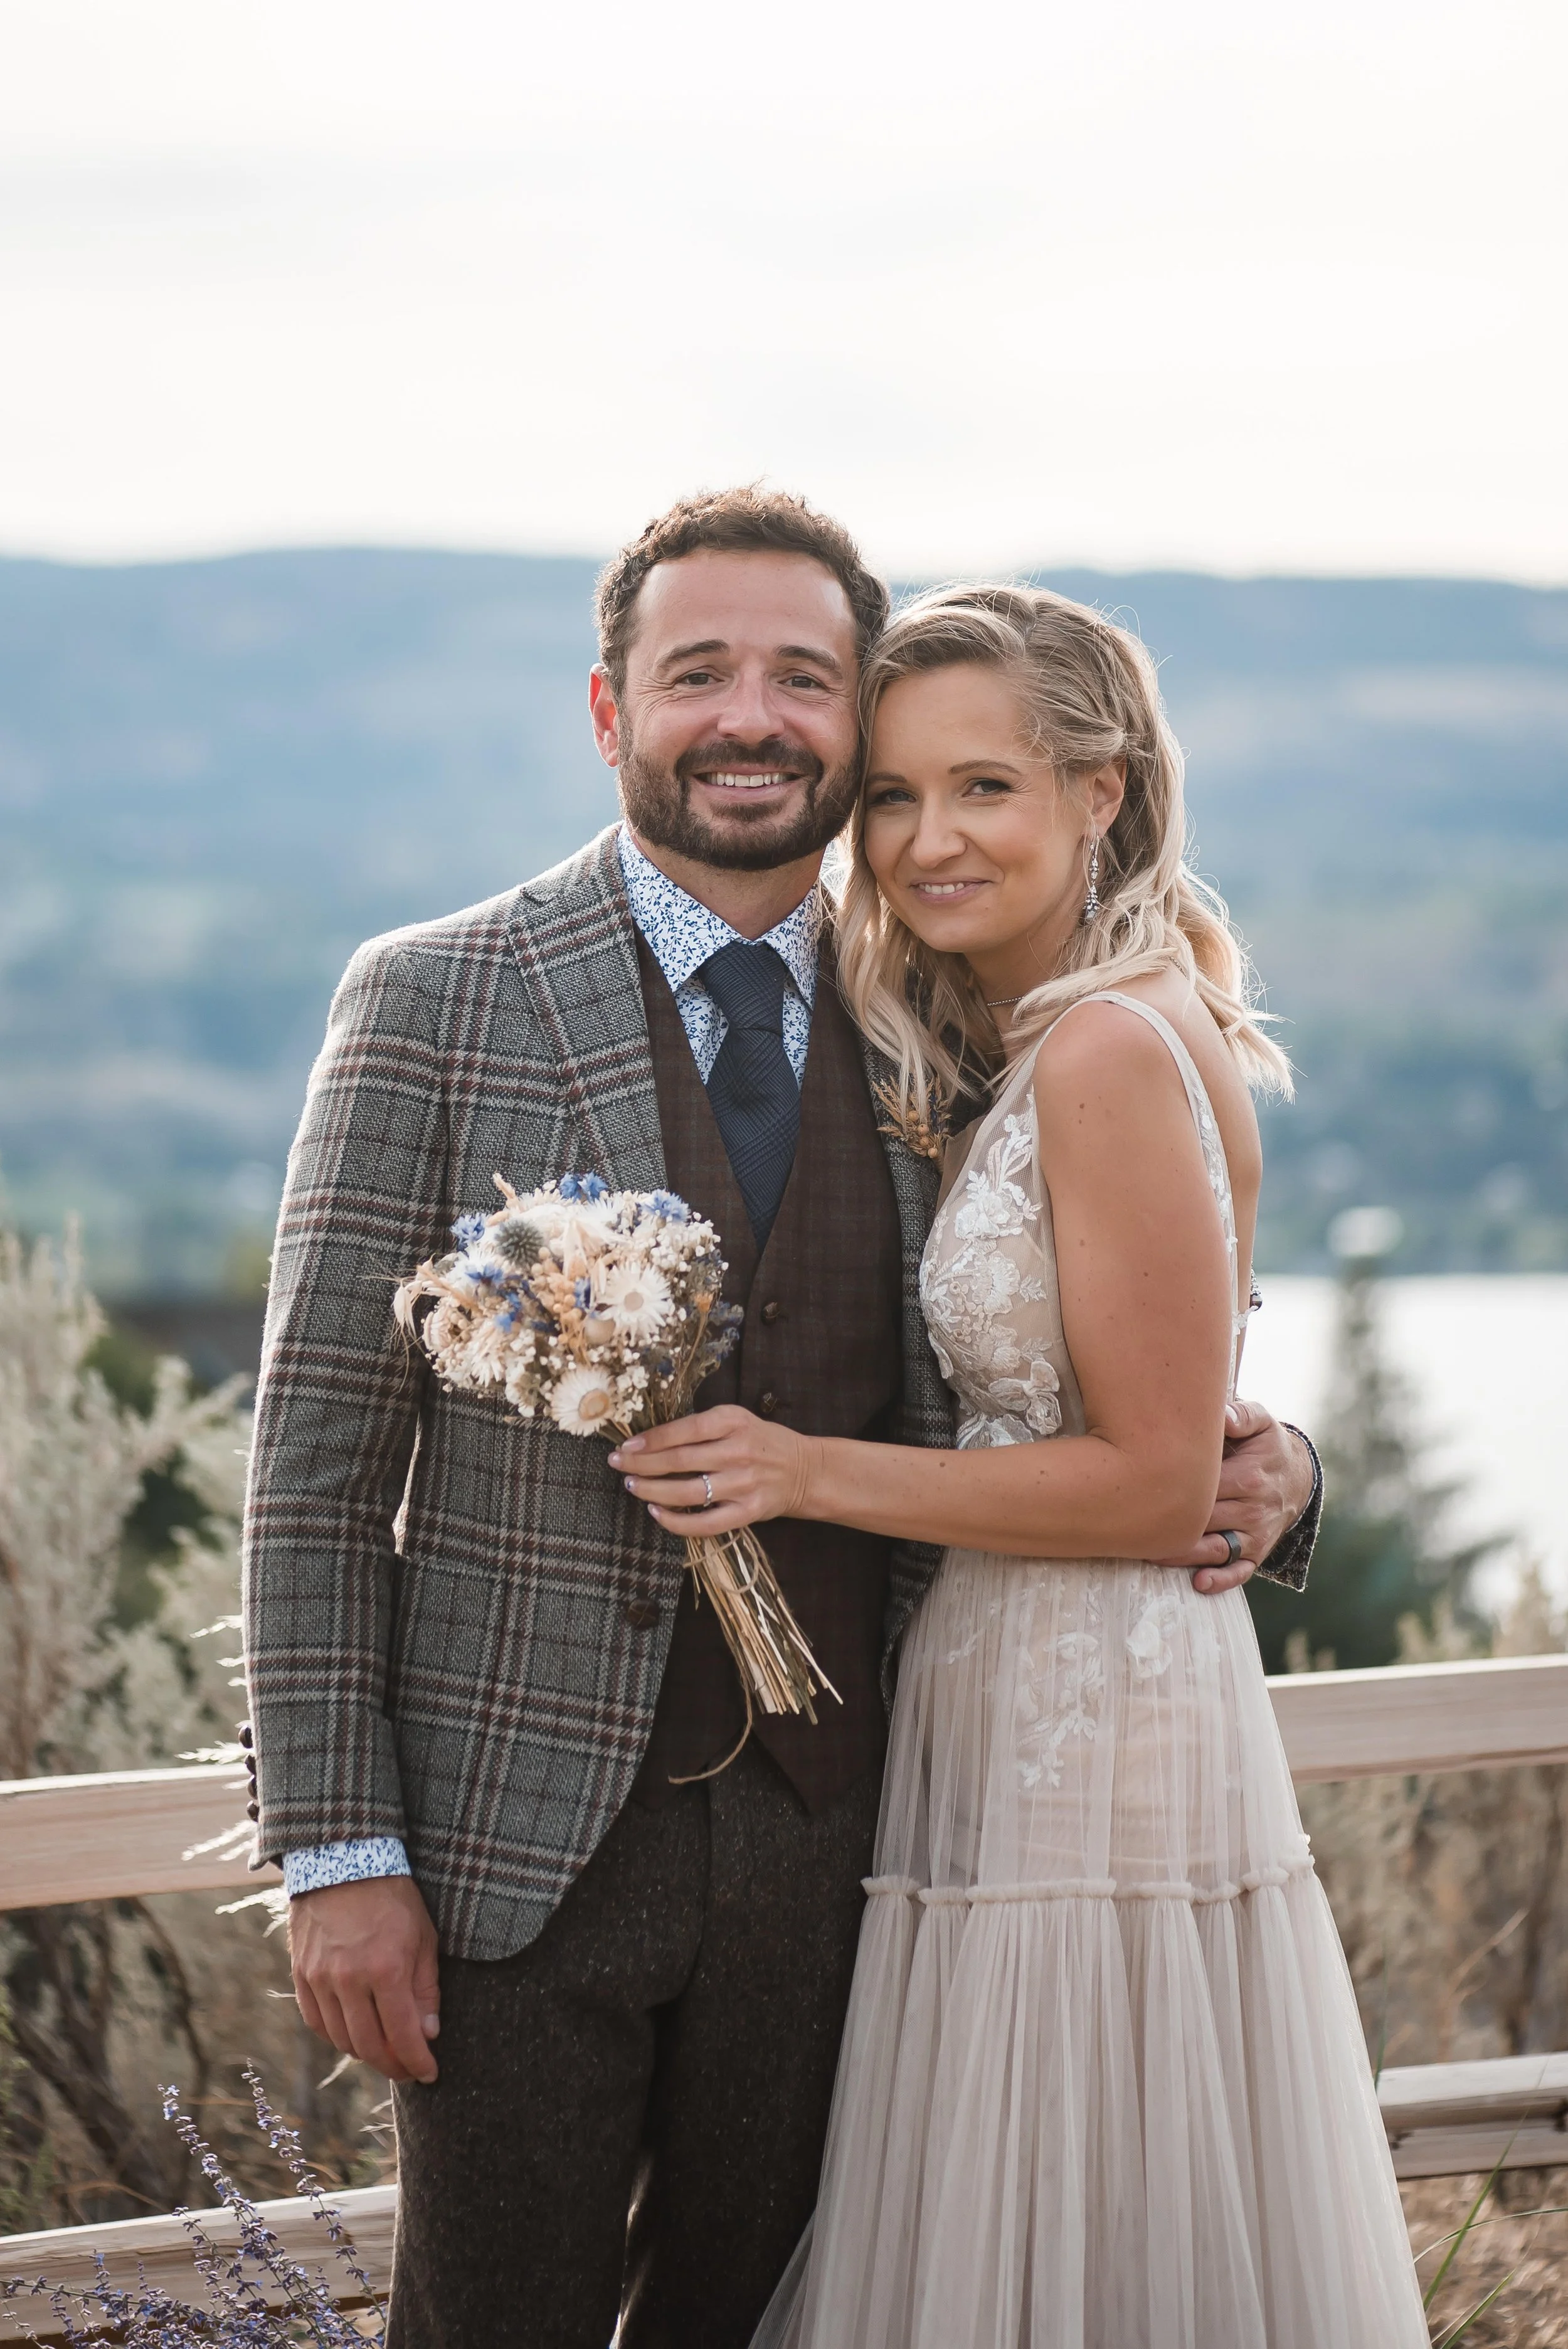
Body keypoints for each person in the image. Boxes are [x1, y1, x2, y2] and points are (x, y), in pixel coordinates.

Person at [241, 494, 1321, 2349]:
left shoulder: (947, 1006)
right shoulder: (434, 999)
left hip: (860, 1842)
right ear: (610, 713)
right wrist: (341, 1857)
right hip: (515, 1852)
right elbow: (315, 1478)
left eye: (805, 678)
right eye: (699, 674)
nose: (752, 717)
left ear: (849, 714)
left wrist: (1274, 1471)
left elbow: (1077, 1370)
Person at [618, 583, 1426, 2347]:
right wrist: (1262, 1447)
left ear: (1102, 794)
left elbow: (1144, 1484)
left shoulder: (1109, 1050)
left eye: (983, 789)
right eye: (892, 798)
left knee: (1070, 2229)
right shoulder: (1038, 1037)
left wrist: (793, 1471)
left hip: (1088, 1715)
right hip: (1015, 1696)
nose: (922, 842)